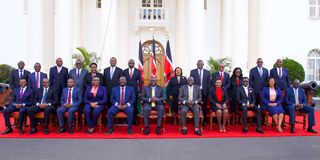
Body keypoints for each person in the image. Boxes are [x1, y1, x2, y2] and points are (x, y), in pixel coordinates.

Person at [190, 60, 211, 126]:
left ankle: (204, 120)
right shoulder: (193, 72)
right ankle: (196, 121)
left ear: (203, 64)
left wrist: (208, 91)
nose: (200, 65)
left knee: (204, 107)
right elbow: (191, 82)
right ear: (197, 64)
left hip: (204, 92)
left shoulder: (207, 72)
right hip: (195, 92)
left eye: (201, 64)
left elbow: (209, 83)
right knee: (195, 105)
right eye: (199, 64)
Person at [123, 59, 142, 125]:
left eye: (132, 63)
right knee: (127, 105)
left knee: (134, 105)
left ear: (134, 64)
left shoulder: (138, 71)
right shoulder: (124, 71)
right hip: (126, 91)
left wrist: (140, 91)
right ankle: (127, 120)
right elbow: (122, 81)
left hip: (135, 91)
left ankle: (134, 119)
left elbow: (140, 82)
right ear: (128, 64)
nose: (131, 64)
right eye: (130, 63)